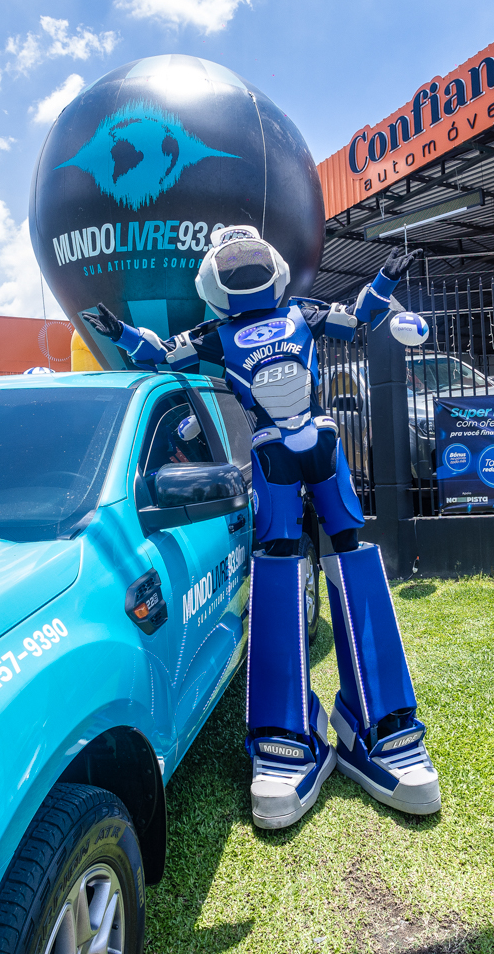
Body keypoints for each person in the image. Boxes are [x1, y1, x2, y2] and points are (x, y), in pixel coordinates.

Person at [81, 226, 440, 830]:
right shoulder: (217, 334)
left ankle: (380, 723)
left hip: (319, 443)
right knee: (277, 569)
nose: (242, 264)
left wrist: (385, 280)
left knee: (352, 557)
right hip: (273, 452)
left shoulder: (301, 312)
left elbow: (356, 320)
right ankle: (285, 732)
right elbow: (159, 354)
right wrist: (117, 332)